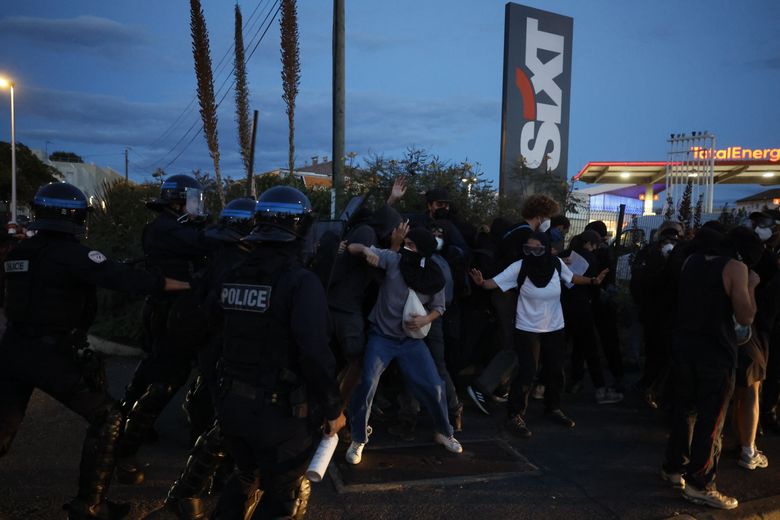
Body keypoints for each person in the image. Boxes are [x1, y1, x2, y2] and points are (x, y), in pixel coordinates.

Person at [0, 182, 189, 520]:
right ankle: (90, 506)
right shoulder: (76, 255)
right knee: (109, 418)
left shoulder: (18, 254)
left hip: (12, 350)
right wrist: (188, 284)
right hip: (53, 356)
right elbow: (128, 280)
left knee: (4, 427)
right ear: (74, 217)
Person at [211, 186, 345, 518]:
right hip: (279, 416)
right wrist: (332, 410)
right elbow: (315, 354)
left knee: (243, 477)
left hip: (231, 404)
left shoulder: (232, 275)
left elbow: (213, 331)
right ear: (301, 228)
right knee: (282, 496)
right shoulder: (300, 281)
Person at [144, 197, 256, 520]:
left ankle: (189, 492)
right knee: (225, 423)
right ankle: (205, 485)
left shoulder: (221, 256)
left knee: (213, 411)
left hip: (209, 344)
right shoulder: (240, 265)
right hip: (225, 349)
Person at [117, 174, 217, 485]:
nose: (196, 206)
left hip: (176, 309)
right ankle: (124, 447)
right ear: (177, 201)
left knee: (158, 370)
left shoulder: (176, 226)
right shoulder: (166, 228)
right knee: (166, 377)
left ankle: (131, 424)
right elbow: (202, 244)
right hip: (172, 310)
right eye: (192, 200)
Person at [469, 232, 608, 438]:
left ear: (546, 248)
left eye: (538, 249)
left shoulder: (556, 264)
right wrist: (481, 283)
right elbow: (494, 283)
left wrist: (592, 281)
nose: (533, 253)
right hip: (527, 328)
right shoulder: (520, 266)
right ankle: (514, 414)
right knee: (527, 371)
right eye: (528, 249)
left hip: (554, 326)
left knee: (555, 370)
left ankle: (553, 407)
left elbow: (572, 278)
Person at [662, 227, 761, 510]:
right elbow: (745, 314)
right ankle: (700, 484)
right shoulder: (735, 268)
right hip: (715, 352)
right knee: (712, 420)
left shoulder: (690, 263)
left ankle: (673, 468)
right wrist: (751, 285)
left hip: (684, 346)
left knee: (684, 411)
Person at [345, 227, 464, 465]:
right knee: (368, 382)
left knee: (434, 385)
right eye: (405, 244)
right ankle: (358, 438)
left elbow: (439, 307)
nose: (406, 248)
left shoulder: (434, 275)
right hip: (382, 337)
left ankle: (444, 431)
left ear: (424, 250)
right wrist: (363, 249)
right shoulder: (394, 260)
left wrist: (424, 319)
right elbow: (354, 248)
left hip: (412, 341)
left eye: (411, 245)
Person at [466, 194, 560, 415]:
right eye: (548, 217)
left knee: (510, 342)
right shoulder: (526, 235)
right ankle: (482, 386)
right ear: (540, 216)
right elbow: (523, 267)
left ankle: (498, 386)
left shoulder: (513, 230)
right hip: (509, 294)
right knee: (517, 346)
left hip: (499, 290)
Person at [562, 230, 623, 404]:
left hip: (562, 307)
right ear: (591, 244)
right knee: (590, 349)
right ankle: (600, 390)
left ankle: (543, 387)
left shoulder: (565, 254)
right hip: (582, 308)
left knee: (559, 348)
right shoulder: (591, 259)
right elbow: (593, 284)